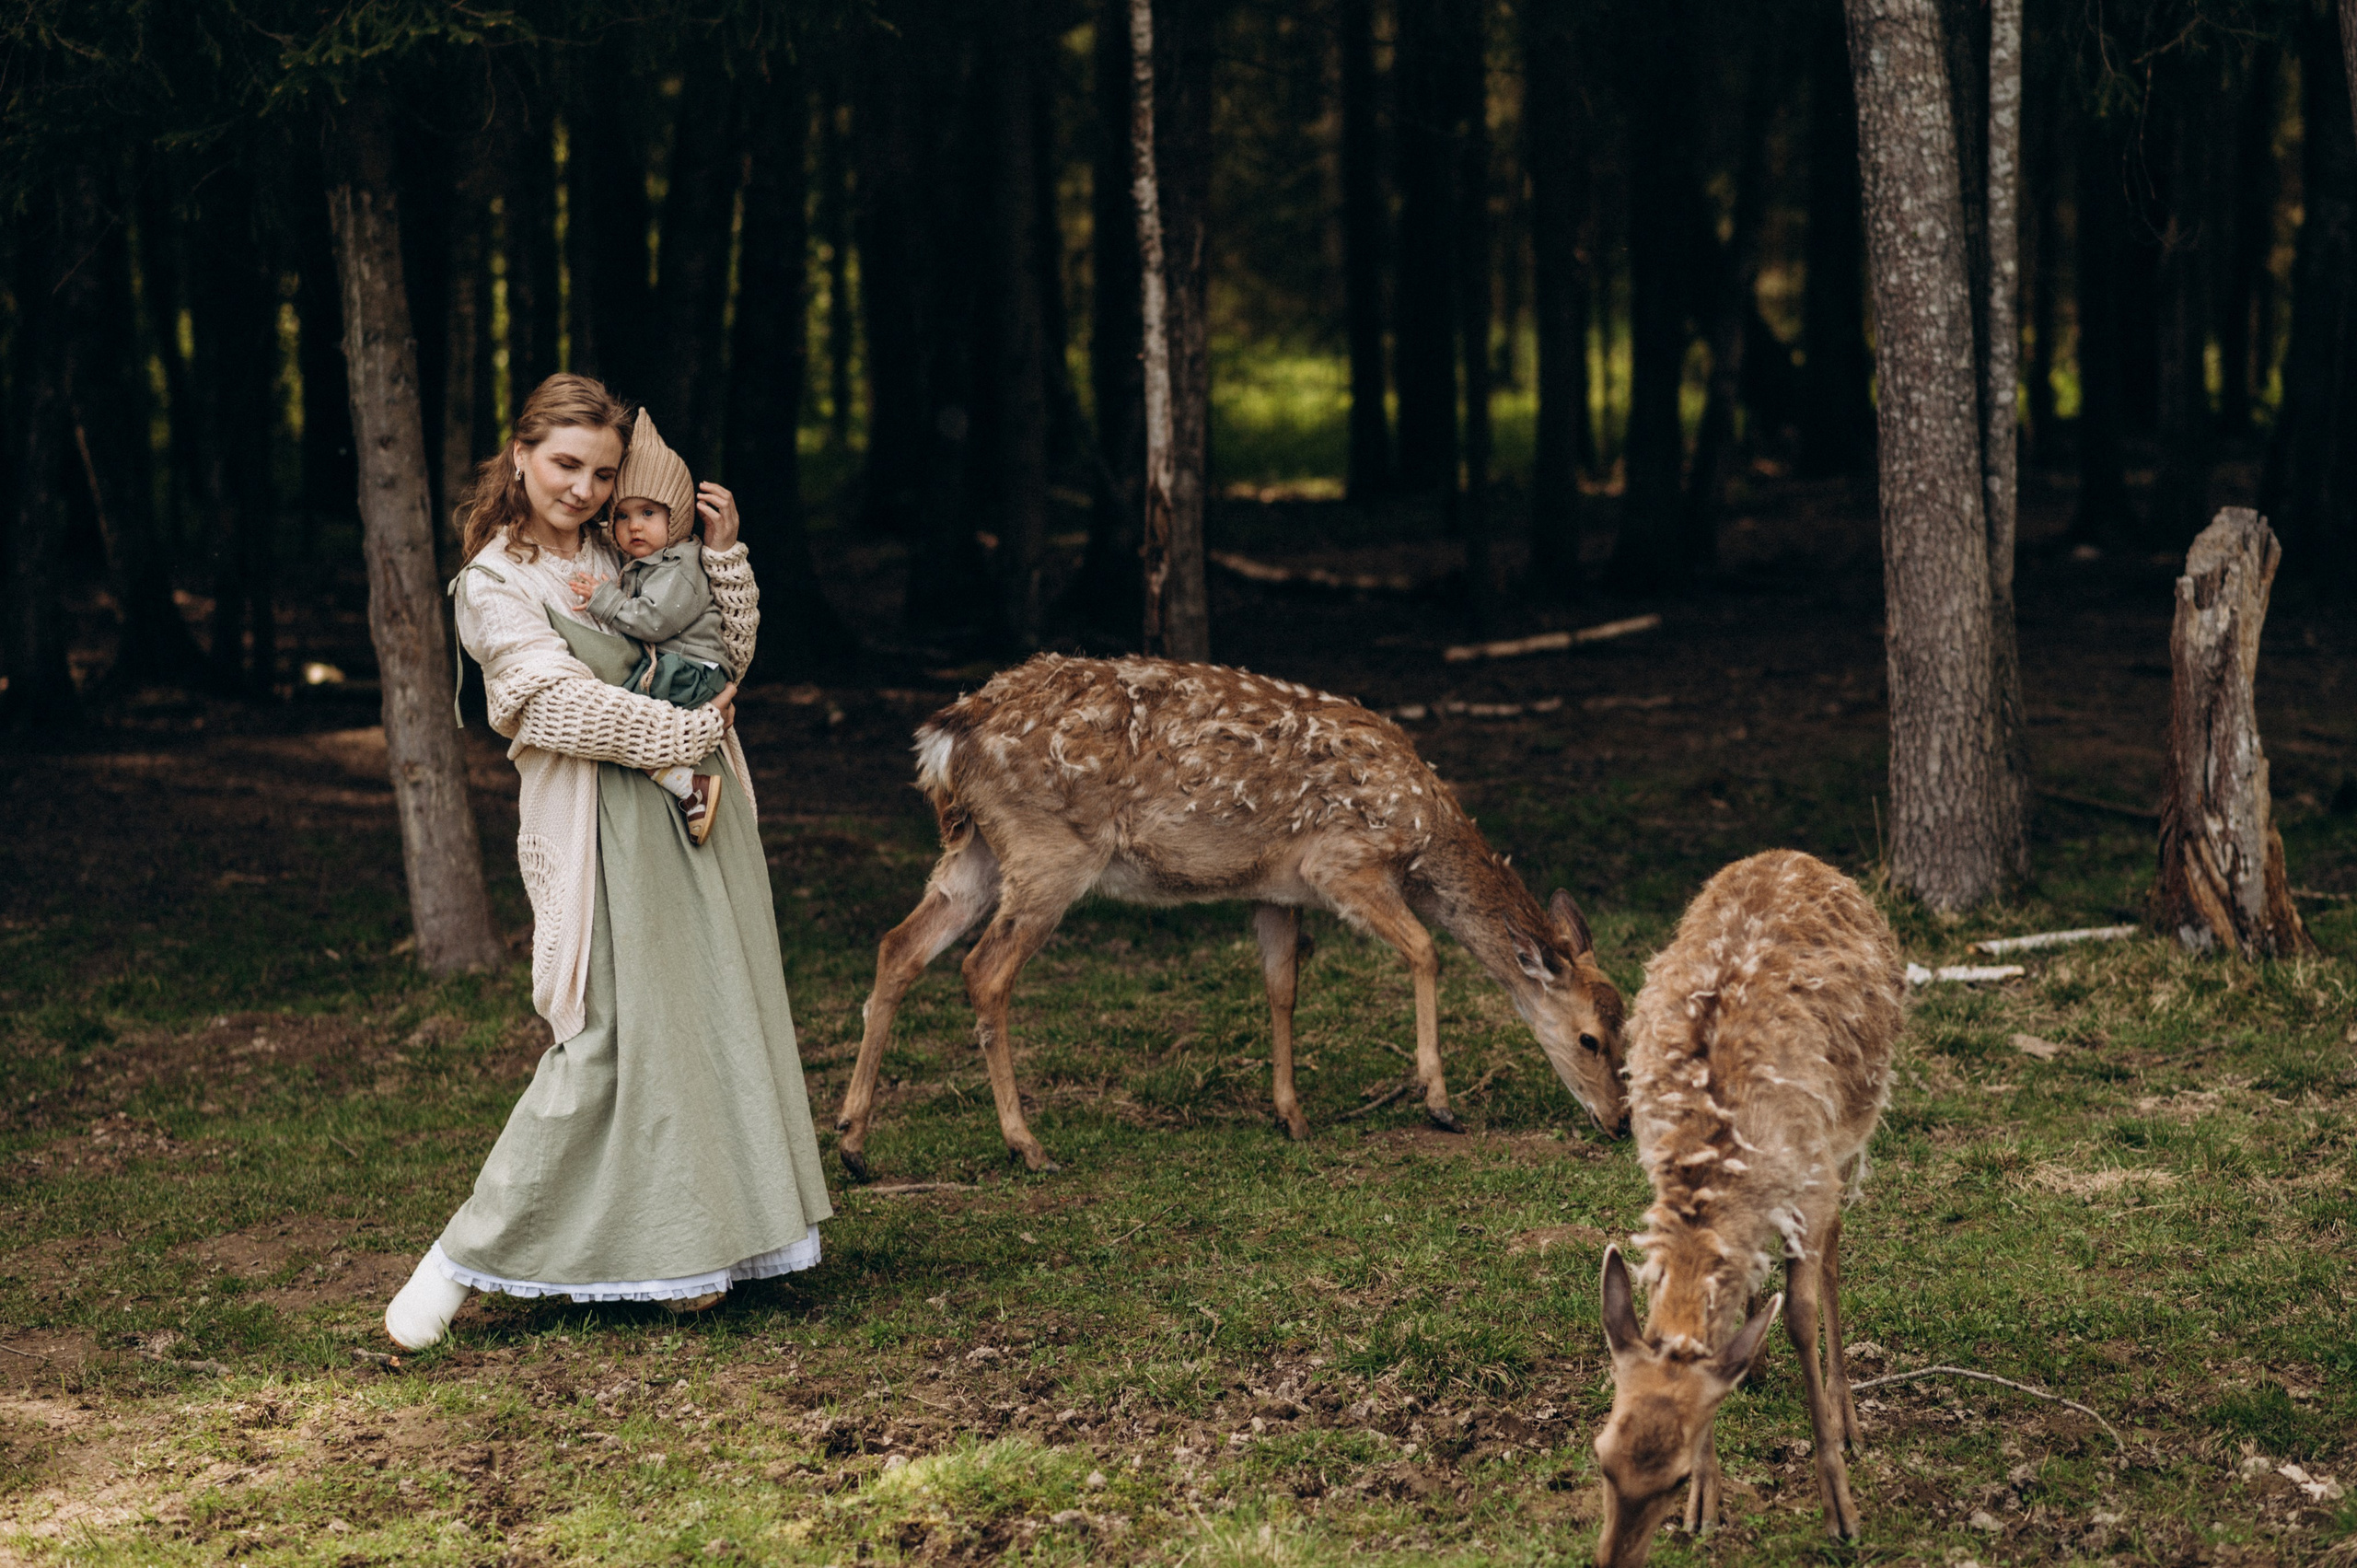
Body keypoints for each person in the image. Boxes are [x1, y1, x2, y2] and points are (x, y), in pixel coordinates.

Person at [383, 373, 833, 1351]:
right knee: (603, 1040)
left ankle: (695, 1250)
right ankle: (454, 1263)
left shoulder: (622, 544)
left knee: (708, 1020)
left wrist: (724, 560)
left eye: (600, 472)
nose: (583, 489)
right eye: (565, 465)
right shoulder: (494, 584)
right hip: (600, 830)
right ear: (520, 456)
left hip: (701, 815)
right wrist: (682, 732)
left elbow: (724, 654)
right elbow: (552, 705)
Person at [569, 410, 735, 844]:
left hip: (694, 670)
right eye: (622, 516)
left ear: (676, 516)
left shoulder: (682, 565)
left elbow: (656, 620)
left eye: (648, 512)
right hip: (680, 667)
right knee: (625, 723)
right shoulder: (648, 564)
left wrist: (605, 600)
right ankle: (687, 784)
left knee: (623, 720)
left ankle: (689, 785)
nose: (634, 525)